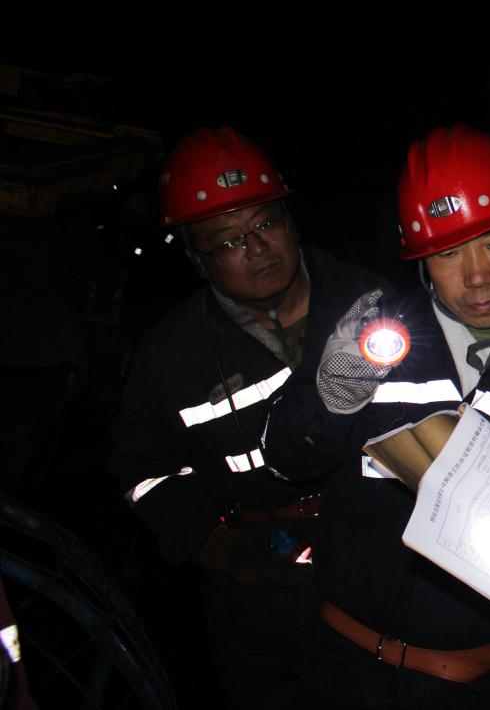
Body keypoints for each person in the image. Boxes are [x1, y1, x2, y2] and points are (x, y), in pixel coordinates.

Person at [264, 125, 490, 709]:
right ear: (421, 264)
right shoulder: (371, 337)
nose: (477, 276)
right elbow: (286, 462)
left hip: (481, 687)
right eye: (448, 253)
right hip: (341, 671)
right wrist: (331, 397)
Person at [109, 126, 386, 708]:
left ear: (291, 220)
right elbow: (143, 472)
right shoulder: (170, 356)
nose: (257, 248)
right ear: (196, 259)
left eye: (266, 224)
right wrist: (215, 544)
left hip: (382, 569)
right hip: (261, 597)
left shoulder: (370, 303)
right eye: (229, 241)